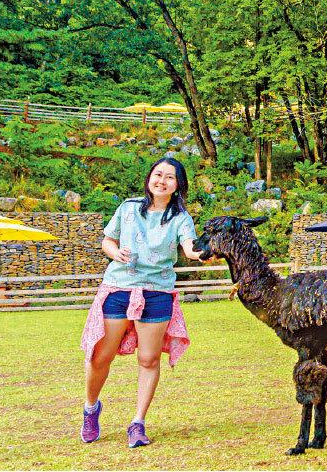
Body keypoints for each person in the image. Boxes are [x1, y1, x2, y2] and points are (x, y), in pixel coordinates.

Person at [80, 157, 207, 448]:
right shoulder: (127, 208)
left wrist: (199, 253)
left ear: (178, 185)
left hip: (157, 293)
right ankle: (90, 408)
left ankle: (137, 423)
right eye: (158, 174)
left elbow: (188, 247)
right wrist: (115, 253)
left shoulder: (180, 218)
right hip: (119, 288)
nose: (162, 180)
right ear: (149, 177)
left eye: (170, 177)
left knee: (149, 359)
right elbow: (107, 241)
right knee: (101, 356)